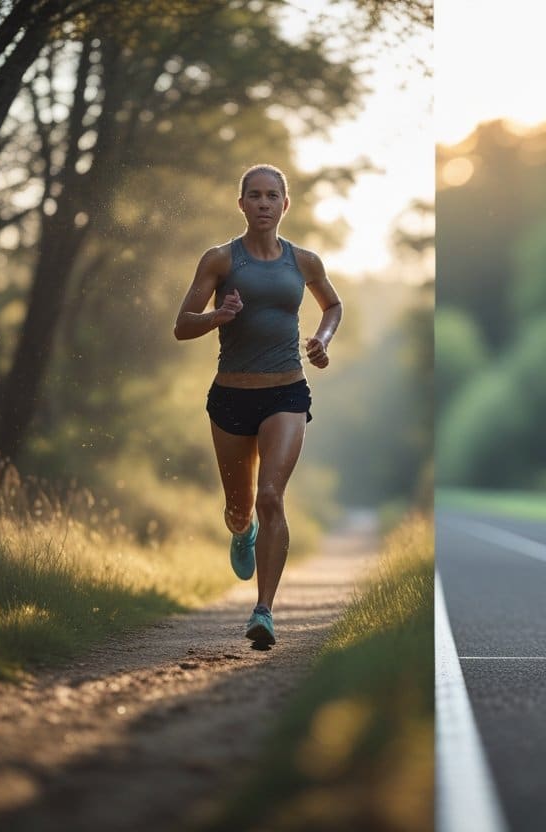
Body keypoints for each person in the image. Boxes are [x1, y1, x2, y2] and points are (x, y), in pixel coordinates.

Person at [174, 163, 342, 647]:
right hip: (230, 396)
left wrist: (323, 340)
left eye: (273, 196)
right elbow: (182, 325)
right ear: (241, 203)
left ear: (285, 205)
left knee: (271, 496)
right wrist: (217, 316)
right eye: (255, 195)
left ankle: (264, 610)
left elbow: (333, 305)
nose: (264, 203)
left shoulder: (304, 261)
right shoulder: (220, 260)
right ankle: (240, 529)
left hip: (286, 392)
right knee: (239, 508)